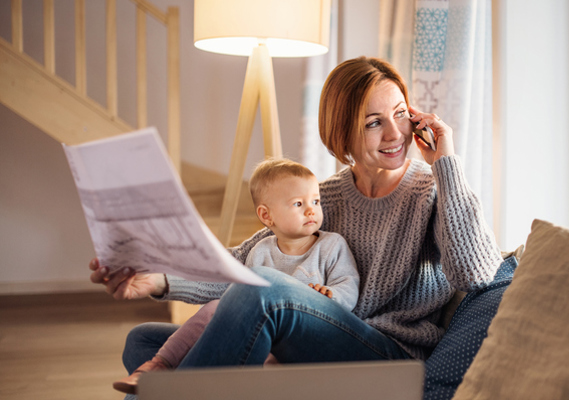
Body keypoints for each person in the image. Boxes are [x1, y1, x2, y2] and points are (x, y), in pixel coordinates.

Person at [90, 56, 503, 396]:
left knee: (265, 290)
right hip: (316, 342)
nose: (396, 133)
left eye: (400, 115)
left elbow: (478, 274)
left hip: (388, 355)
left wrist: (446, 165)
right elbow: (240, 264)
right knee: (144, 341)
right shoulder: (322, 197)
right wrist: (158, 280)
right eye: (374, 122)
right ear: (342, 131)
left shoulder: (431, 191)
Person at [110, 158, 360, 394]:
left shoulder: (331, 245)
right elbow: (238, 295)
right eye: (298, 204)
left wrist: (333, 295)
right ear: (266, 216)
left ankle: (179, 388)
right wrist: (159, 279)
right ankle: (158, 365)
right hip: (260, 338)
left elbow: (348, 285)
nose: (311, 211)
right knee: (155, 333)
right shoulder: (260, 251)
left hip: (302, 338)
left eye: (315, 202)